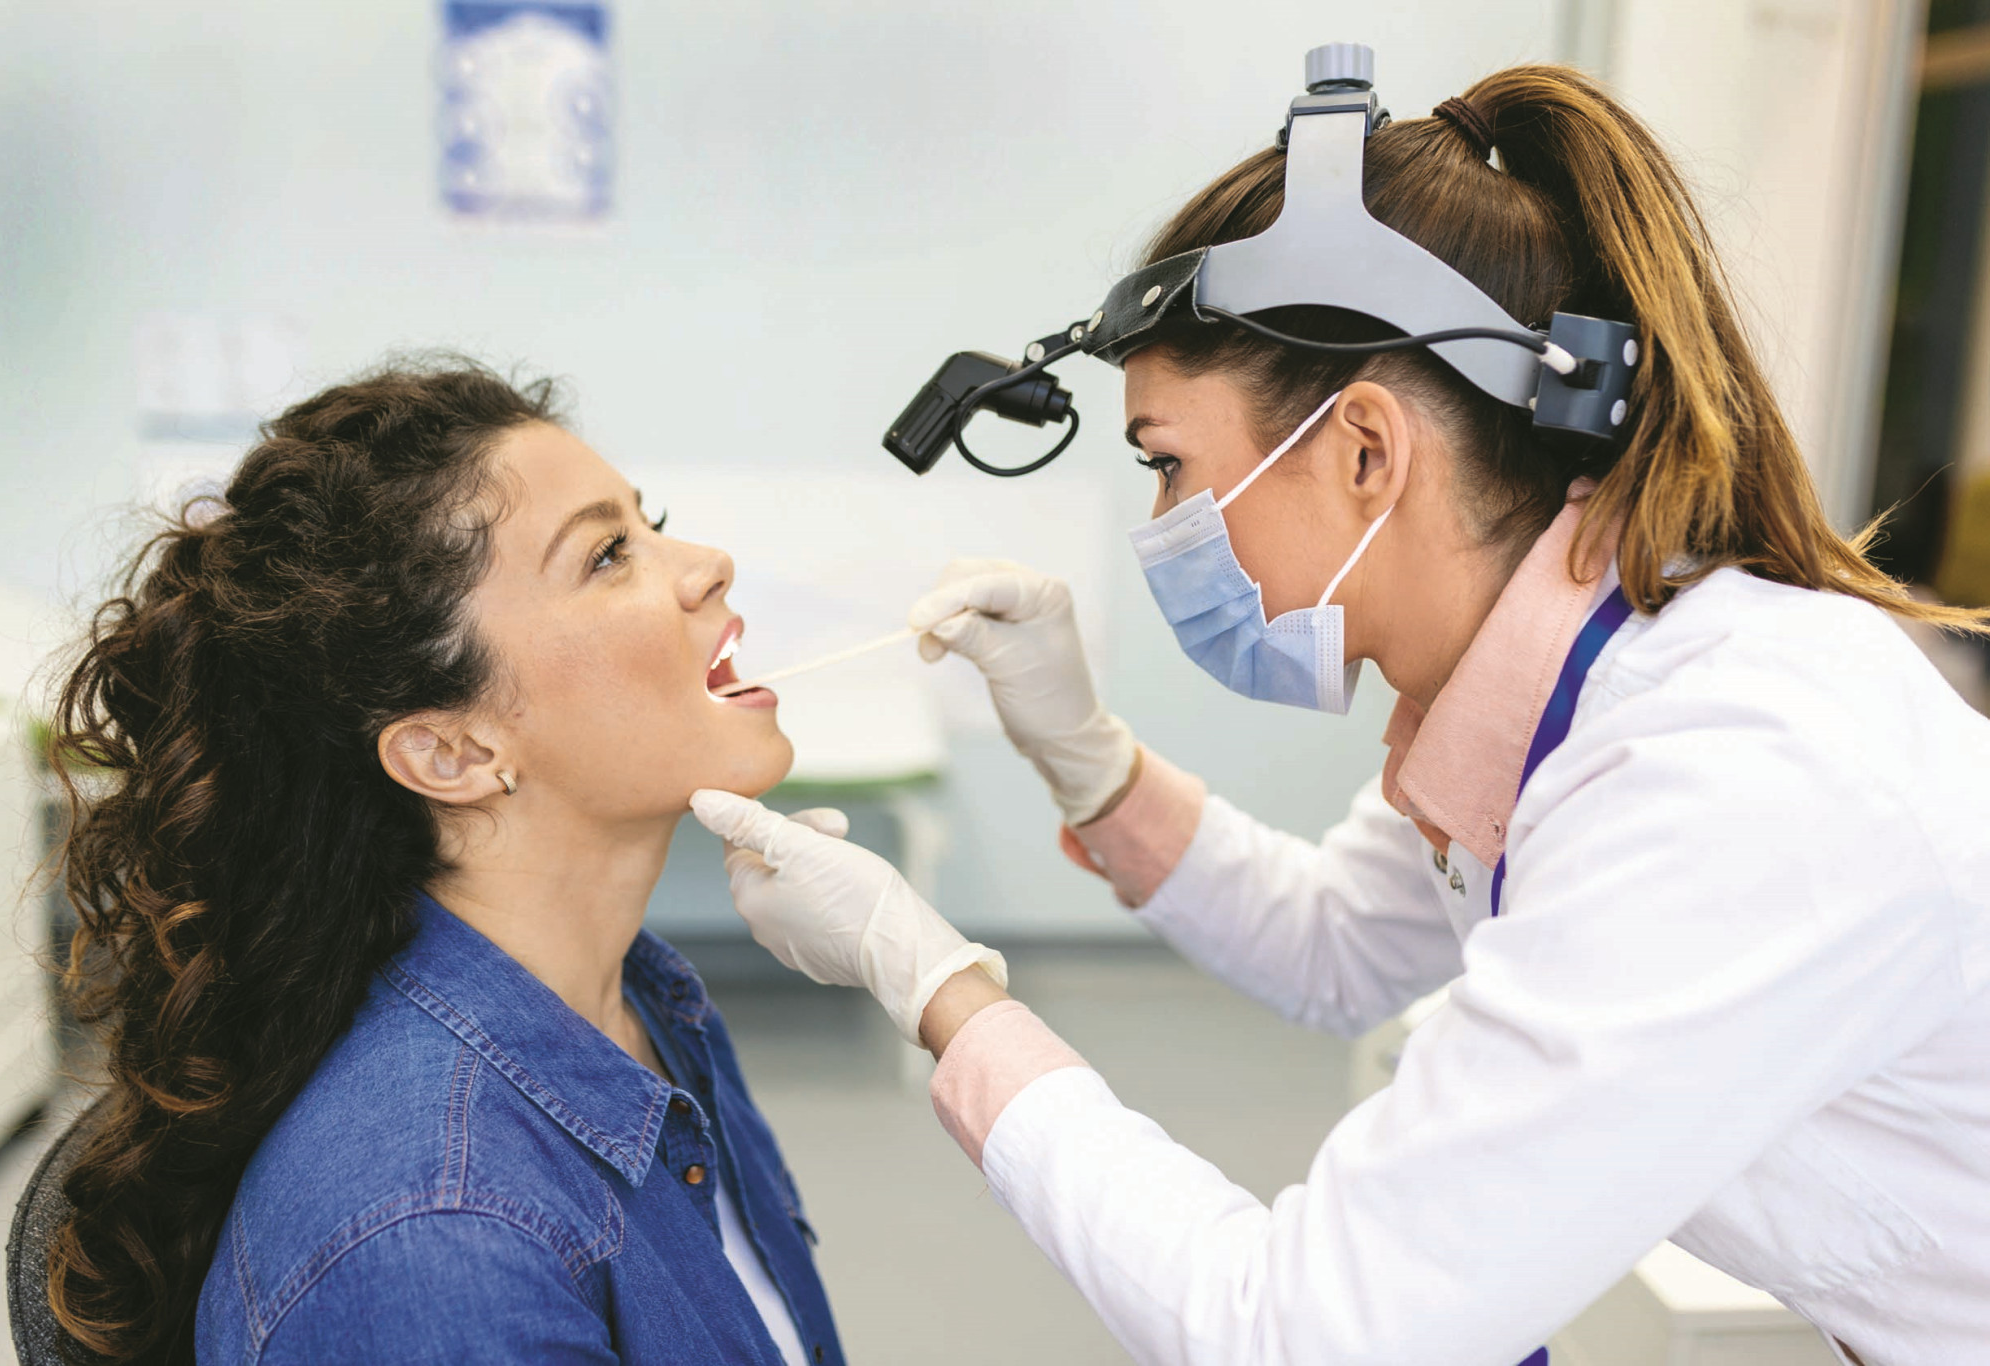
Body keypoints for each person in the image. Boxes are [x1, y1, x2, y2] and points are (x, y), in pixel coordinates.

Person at [689, 65, 1990, 1366]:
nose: (1163, 527)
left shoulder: (1721, 780)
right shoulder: (1550, 682)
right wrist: (1083, 756)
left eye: (1170, 466)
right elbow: (1336, 942)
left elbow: (1307, 1333)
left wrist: (934, 985)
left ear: (1365, 450)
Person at [43, 362, 845, 1366]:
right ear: (452, 753)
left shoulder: (645, 1002)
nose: (709, 564)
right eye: (607, 554)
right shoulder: (435, 1243)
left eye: (651, 524)